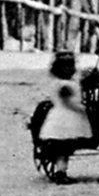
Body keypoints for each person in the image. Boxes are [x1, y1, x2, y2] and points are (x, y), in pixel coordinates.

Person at [38, 50, 95, 184]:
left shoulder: (61, 83)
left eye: (72, 66)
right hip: (66, 118)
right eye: (68, 66)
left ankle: (62, 172)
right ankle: (61, 173)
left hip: (62, 116)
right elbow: (68, 102)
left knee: (65, 148)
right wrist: (82, 108)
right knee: (63, 148)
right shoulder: (64, 85)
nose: (71, 69)